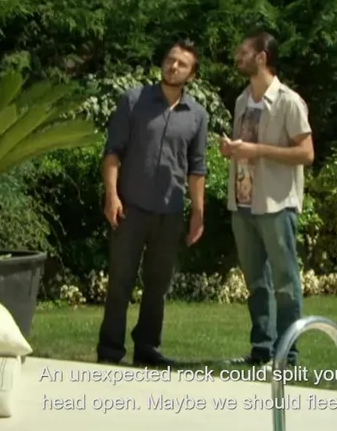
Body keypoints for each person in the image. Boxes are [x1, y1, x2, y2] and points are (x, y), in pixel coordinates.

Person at [98, 41, 209, 367]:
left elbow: (197, 168)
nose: (173, 67)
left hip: (170, 212)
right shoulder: (134, 100)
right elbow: (112, 153)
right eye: (170, 60)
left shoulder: (197, 115)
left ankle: (147, 349)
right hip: (130, 208)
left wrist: (198, 212)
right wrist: (112, 196)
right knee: (120, 282)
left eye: (182, 64)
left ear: (192, 74)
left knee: (158, 286)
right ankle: (110, 351)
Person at [221, 31, 314, 366]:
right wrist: (232, 151)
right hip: (243, 203)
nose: (238, 56)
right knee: (256, 282)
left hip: (276, 205)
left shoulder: (289, 101)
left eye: (244, 52)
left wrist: (257, 150)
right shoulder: (242, 100)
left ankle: (288, 355)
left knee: (285, 282)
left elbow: (306, 153)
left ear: (262, 57)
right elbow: (245, 149)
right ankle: (261, 349)